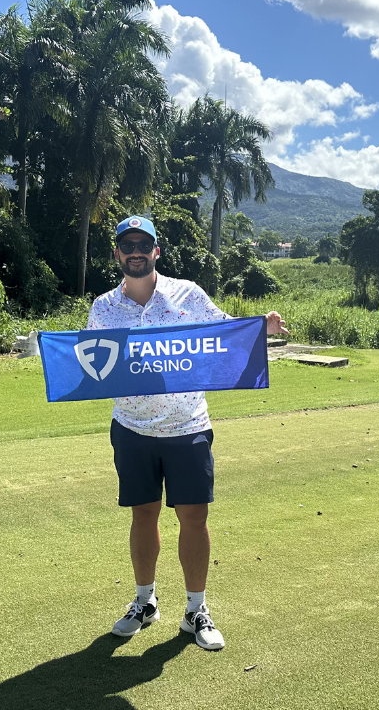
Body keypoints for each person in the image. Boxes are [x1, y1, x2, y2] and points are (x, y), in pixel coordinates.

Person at [86, 215, 288, 651]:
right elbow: (90, 363)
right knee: (144, 514)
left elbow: (223, 330)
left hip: (188, 425)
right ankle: (145, 602)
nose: (136, 251)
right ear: (117, 254)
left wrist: (260, 329)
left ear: (156, 251)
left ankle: (195, 610)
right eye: (128, 245)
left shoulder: (187, 293)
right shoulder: (103, 307)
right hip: (132, 428)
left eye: (144, 244)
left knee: (194, 518)